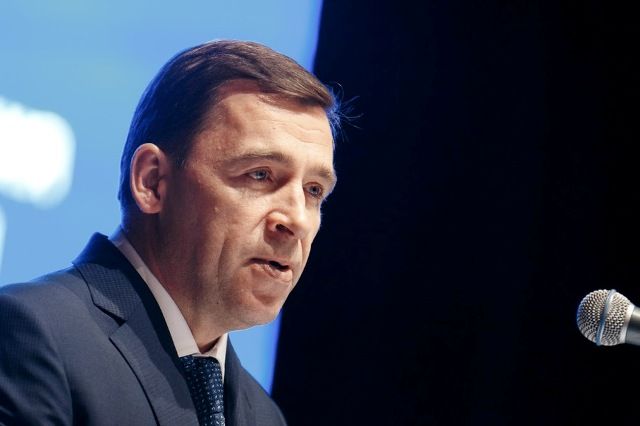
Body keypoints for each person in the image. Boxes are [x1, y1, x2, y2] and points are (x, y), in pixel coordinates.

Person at [0, 39, 340, 426]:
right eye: (260, 175)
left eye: (314, 191)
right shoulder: (32, 335)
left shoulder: (264, 416)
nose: (297, 220)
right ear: (153, 182)